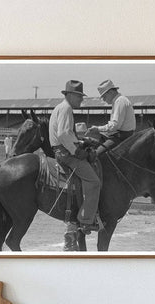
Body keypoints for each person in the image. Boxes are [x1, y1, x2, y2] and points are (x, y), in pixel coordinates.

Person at [49, 80, 101, 247]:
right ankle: (86, 220)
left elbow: (66, 134)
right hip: (66, 154)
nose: (81, 100)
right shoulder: (66, 109)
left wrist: (79, 142)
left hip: (60, 150)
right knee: (94, 182)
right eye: (79, 97)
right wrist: (78, 151)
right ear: (70, 95)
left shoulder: (60, 107)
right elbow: (64, 134)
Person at [86, 79, 136, 155]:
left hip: (121, 137)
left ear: (110, 92)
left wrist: (98, 129)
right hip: (121, 134)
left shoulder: (120, 101)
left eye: (104, 96)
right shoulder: (119, 100)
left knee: (95, 154)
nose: (103, 99)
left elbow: (115, 125)